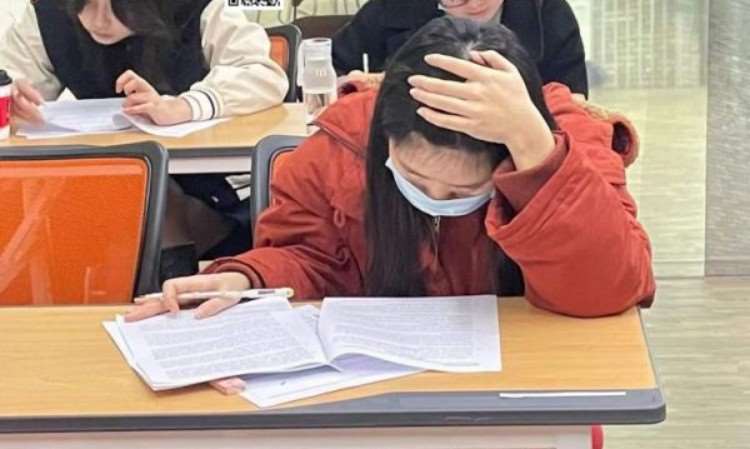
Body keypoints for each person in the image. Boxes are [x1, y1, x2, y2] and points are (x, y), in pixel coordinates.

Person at [128, 16, 654, 323]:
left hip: (527, 369)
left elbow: (609, 289)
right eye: (415, 178)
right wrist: (247, 277)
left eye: (461, 190)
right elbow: (311, 259)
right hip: (382, 381)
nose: (435, 198)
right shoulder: (343, 140)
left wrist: (538, 156)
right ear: (384, 136)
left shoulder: (571, 141)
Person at [0, 0, 289, 269]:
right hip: (104, 179)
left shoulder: (199, 7)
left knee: (154, 197)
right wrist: (10, 99)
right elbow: (12, 75)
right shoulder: (46, 12)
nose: (99, 20)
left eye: (117, 6)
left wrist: (186, 106)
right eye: (84, 3)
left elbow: (262, 74)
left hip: (207, 188)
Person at [334, 0, 589, 99]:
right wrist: (359, 87)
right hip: (405, 153)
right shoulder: (390, 7)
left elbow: (574, 103)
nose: (476, 4)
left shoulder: (548, 11)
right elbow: (333, 68)